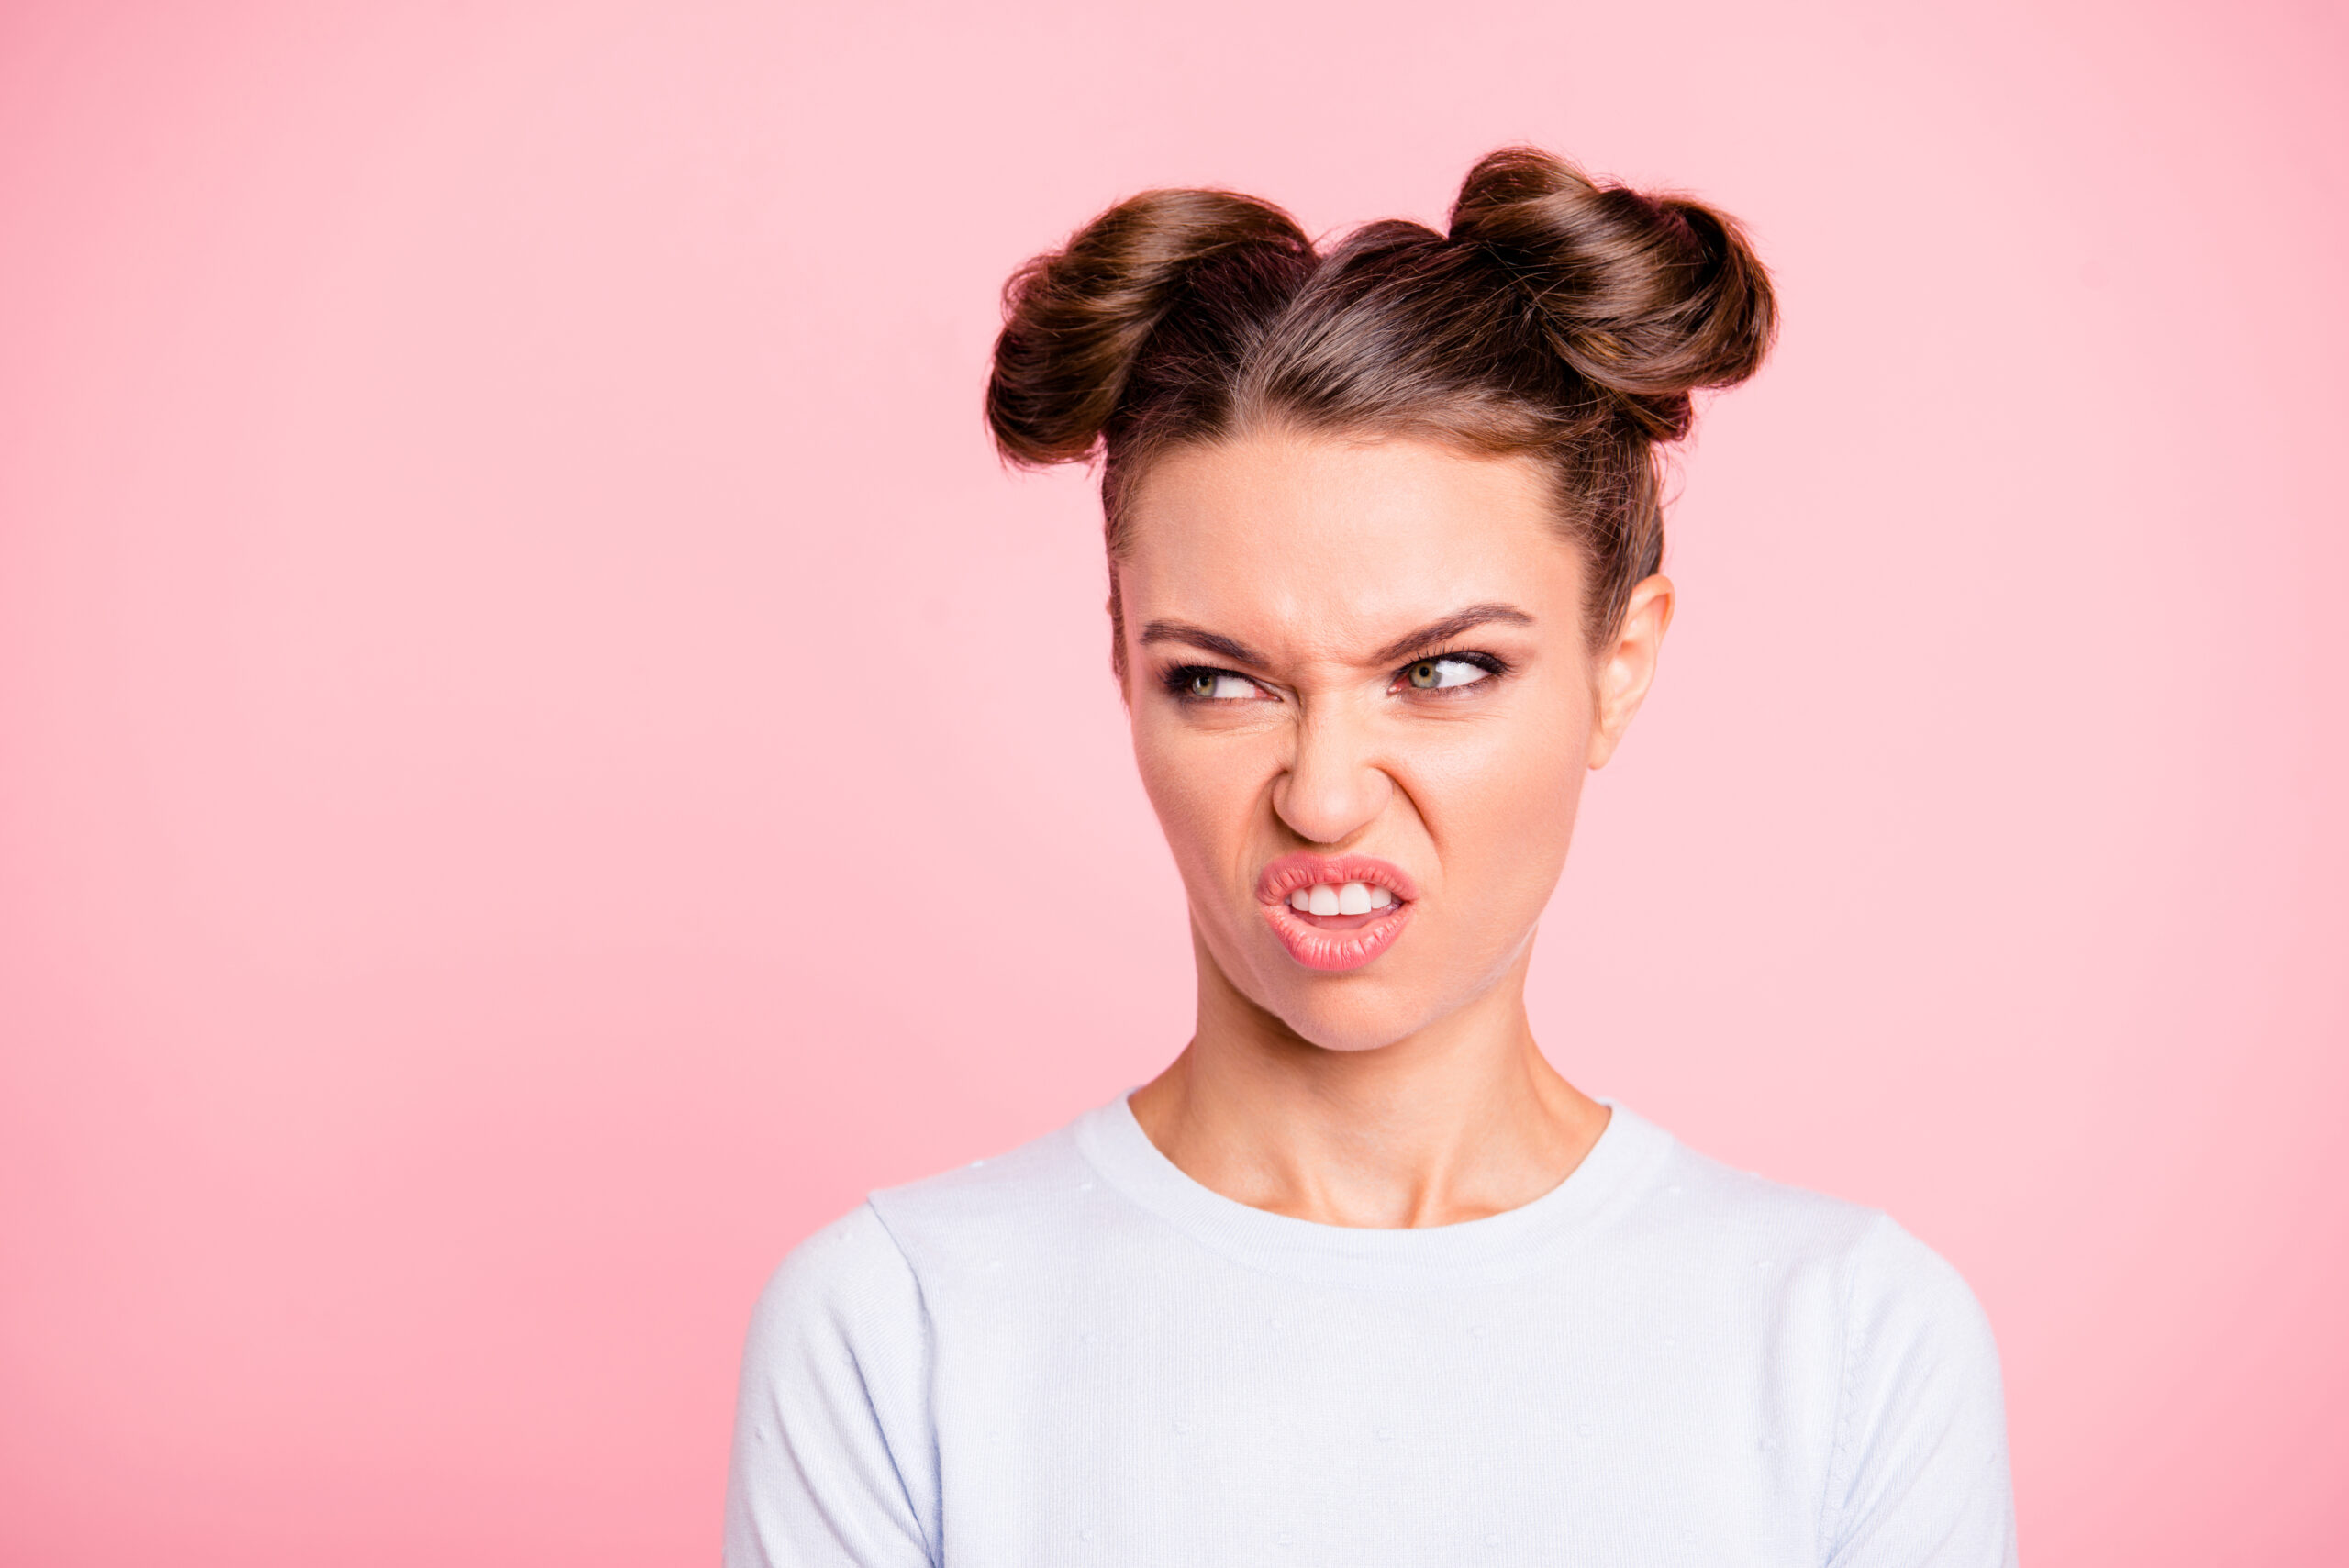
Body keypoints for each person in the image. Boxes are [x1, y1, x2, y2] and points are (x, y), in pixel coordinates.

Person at [724, 147, 2016, 1566]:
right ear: (1121, 664)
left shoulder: (1850, 1347)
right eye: (1221, 680)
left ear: (1621, 662)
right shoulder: (895, 1330)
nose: (1325, 797)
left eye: (1446, 669)